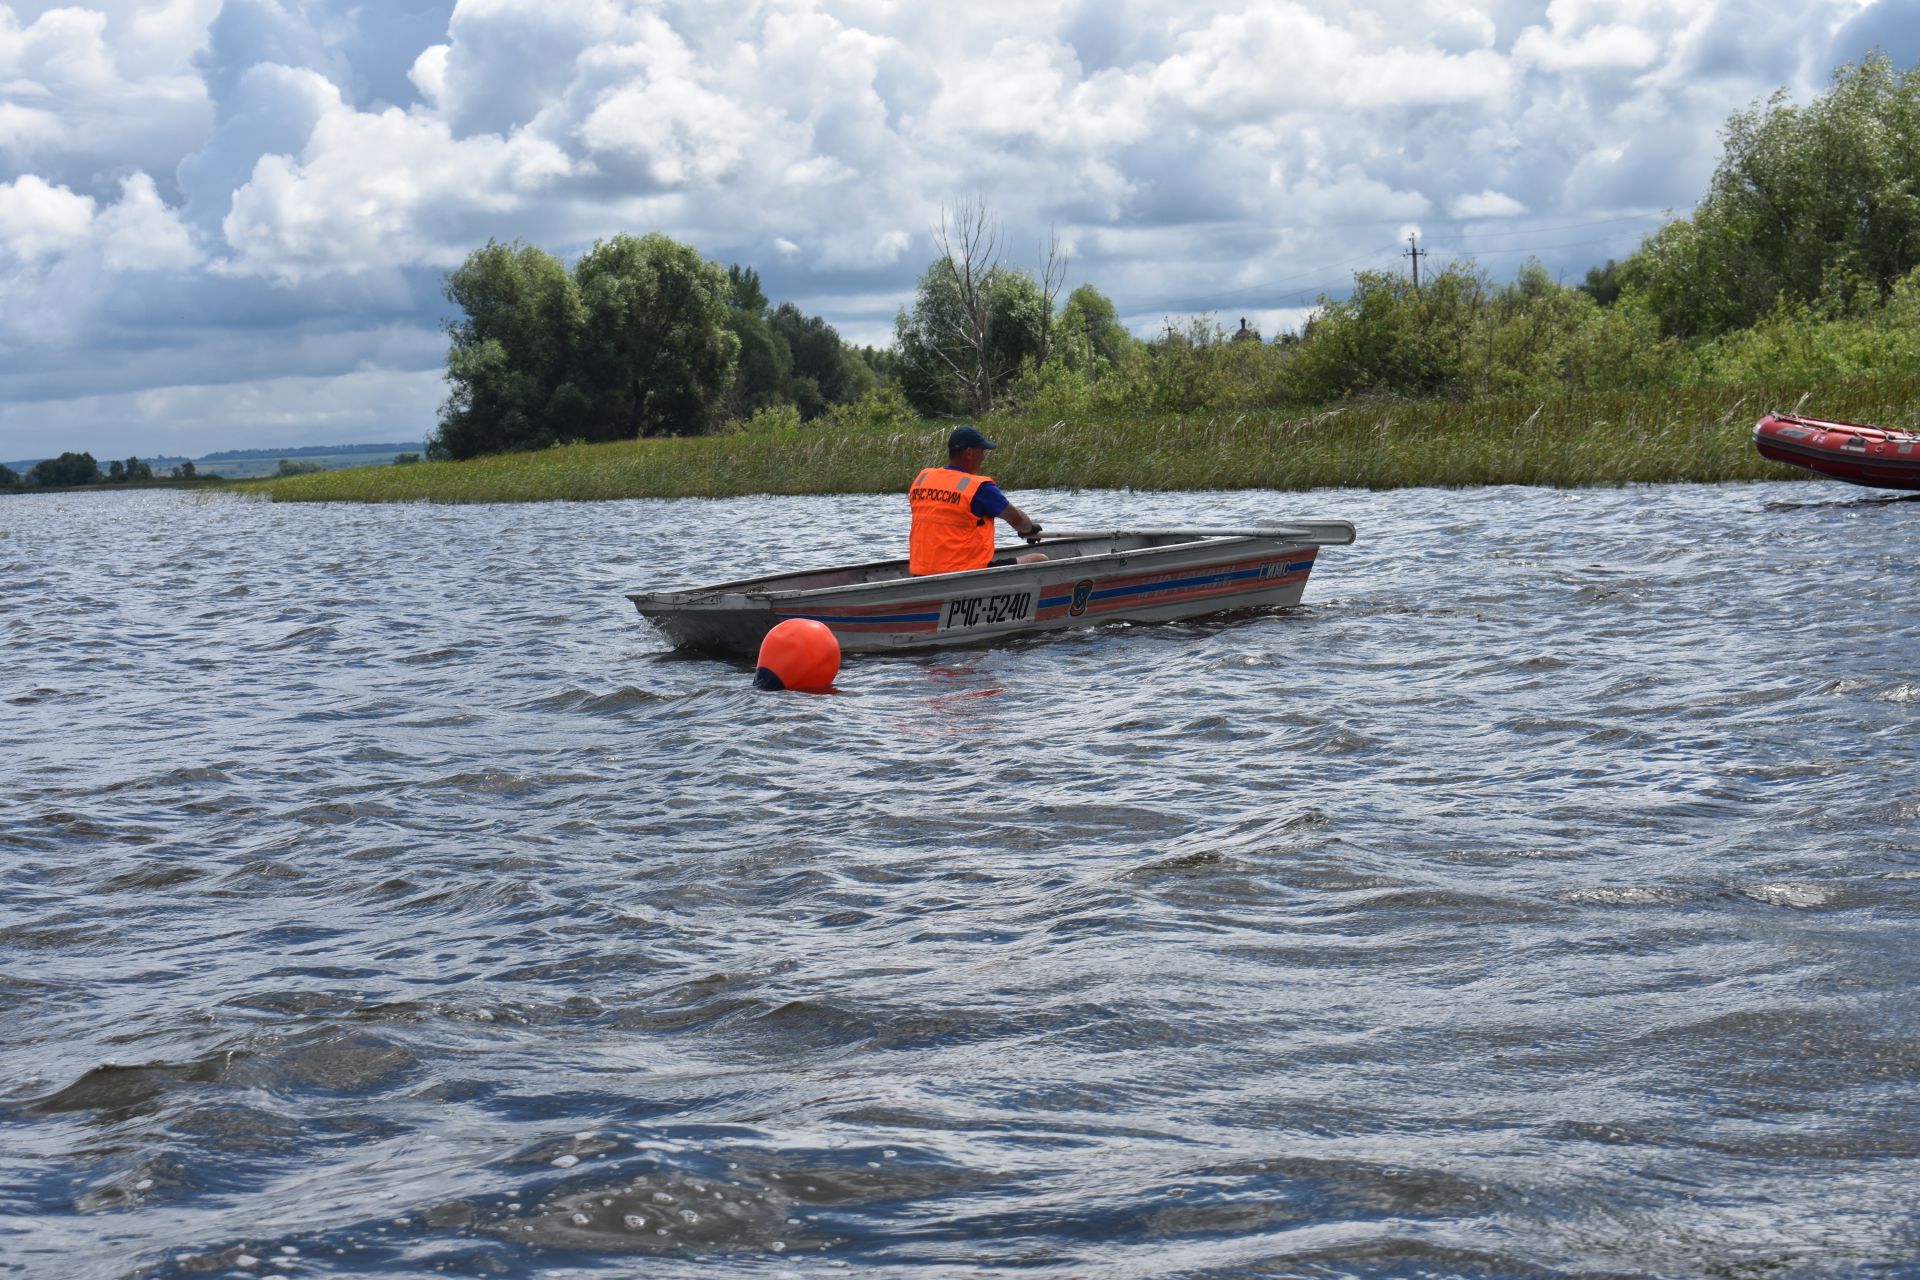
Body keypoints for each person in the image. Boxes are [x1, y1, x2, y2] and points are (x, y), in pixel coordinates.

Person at [908, 425, 1046, 575]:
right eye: (982, 451)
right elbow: (1016, 518)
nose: (983, 457)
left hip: (921, 572)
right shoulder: (978, 487)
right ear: (969, 453)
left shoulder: (923, 479)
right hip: (965, 573)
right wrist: (1029, 529)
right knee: (1040, 559)